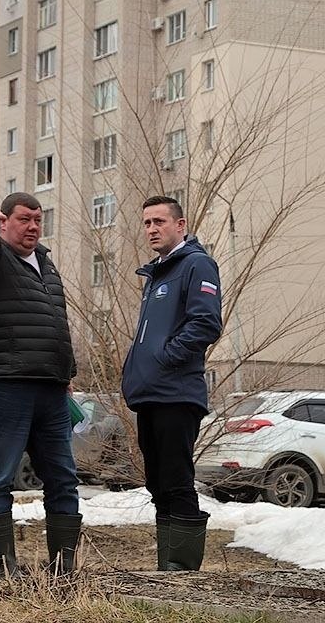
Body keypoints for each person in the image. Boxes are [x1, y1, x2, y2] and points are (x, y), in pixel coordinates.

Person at [0, 193, 82, 576]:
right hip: (5, 383)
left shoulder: (46, 264)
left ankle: (62, 568)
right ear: (4, 223)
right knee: (0, 477)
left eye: (38, 219)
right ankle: (4, 566)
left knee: (63, 478)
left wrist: (67, 373)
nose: (32, 226)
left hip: (50, 386)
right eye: (23, 219)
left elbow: (56, 323)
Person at [122, 195, 223, 571]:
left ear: (180, 225)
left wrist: (165, 360)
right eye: (147, 222)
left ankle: (183, 570)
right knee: (158, 484)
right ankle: (168, 568)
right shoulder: (158, 272)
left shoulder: (196, 264)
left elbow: (205, 323)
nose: (152, 229)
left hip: (176, 394)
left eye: (159, 221)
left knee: (177, 482)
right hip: (150, 395)